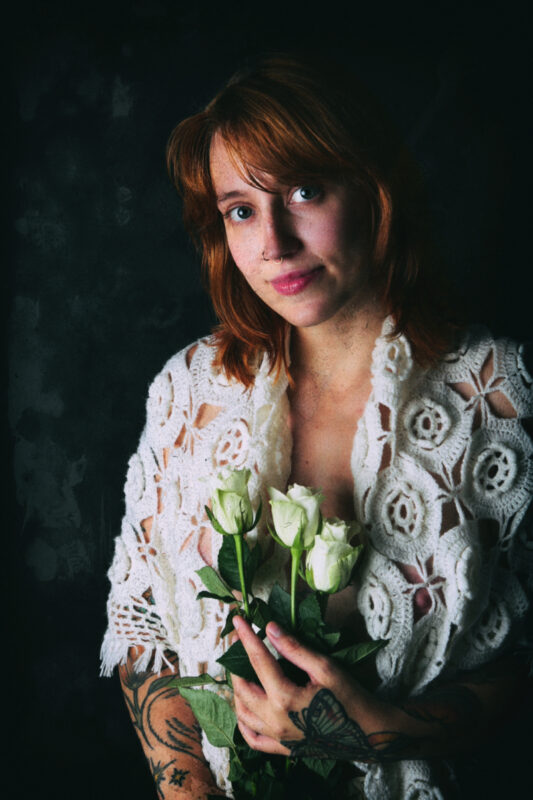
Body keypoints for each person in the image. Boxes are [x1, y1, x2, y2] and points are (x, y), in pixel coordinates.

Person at [101, 55, 532, 799]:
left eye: (304, 191)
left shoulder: (499, 395)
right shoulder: (189, 389)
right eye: (240, 209)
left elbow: (520, 661)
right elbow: (145, 633)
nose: (273, 242)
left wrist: (372, 732)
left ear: (374, 189)